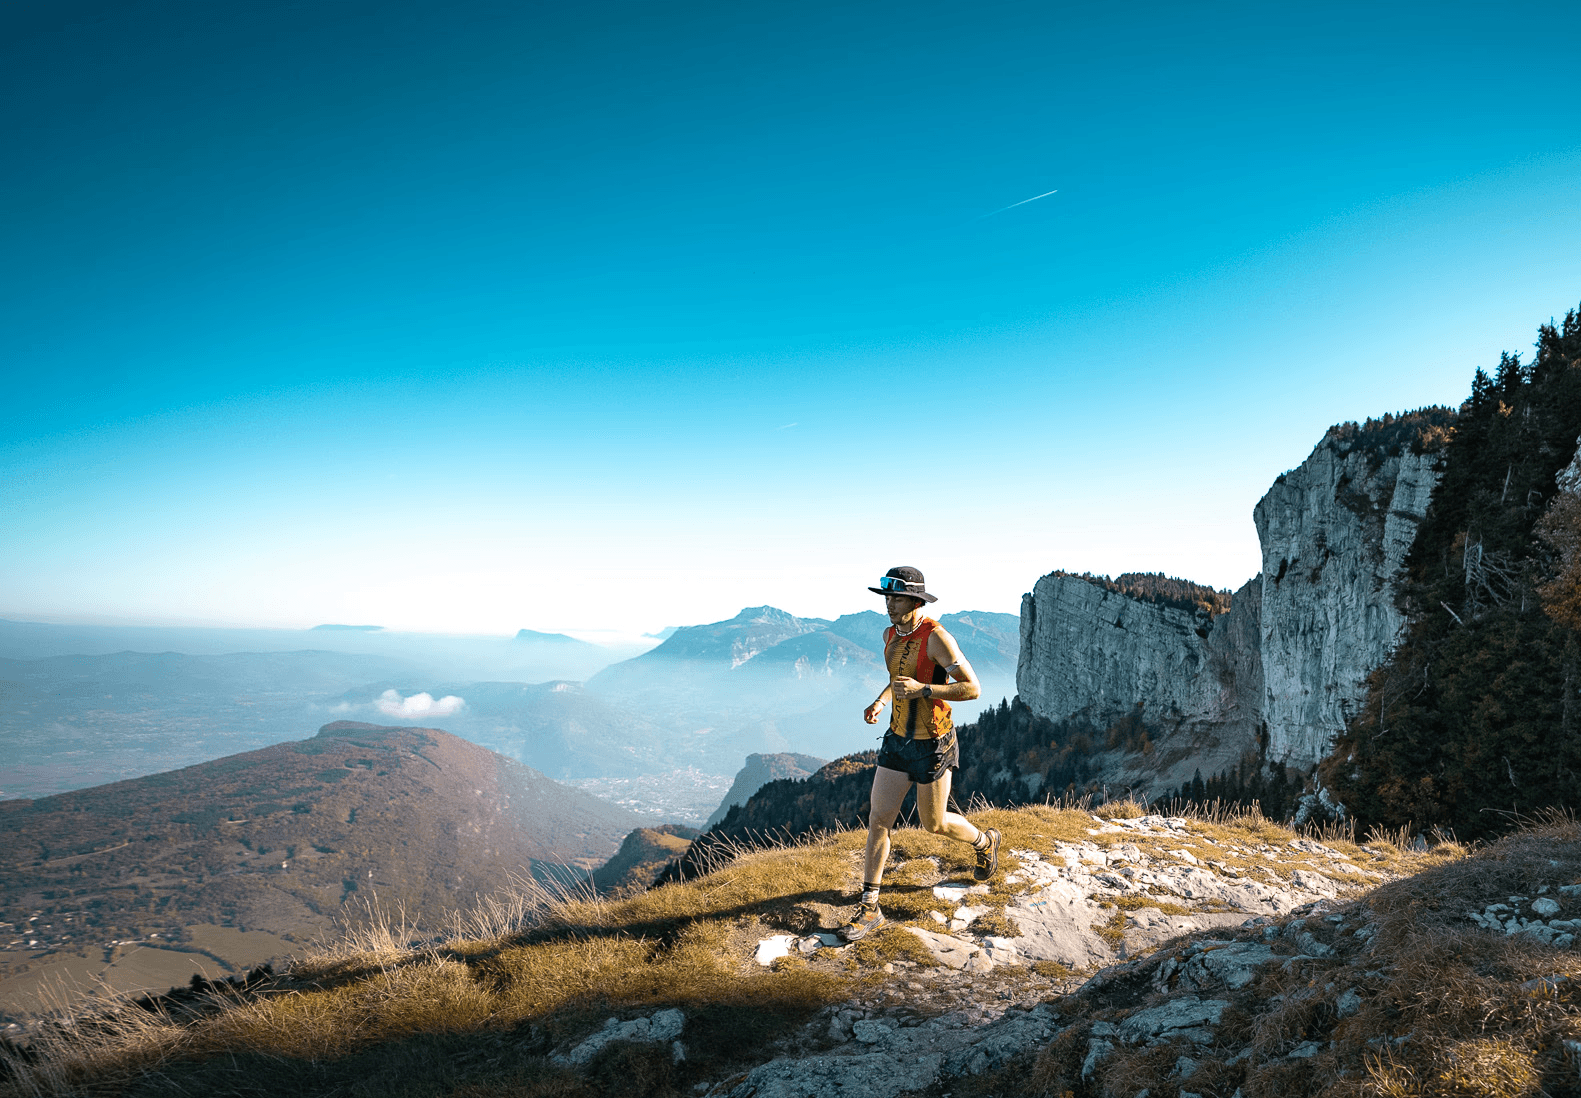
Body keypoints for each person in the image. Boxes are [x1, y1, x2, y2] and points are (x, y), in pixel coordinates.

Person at [838, 565, 1001, 942]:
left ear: (915, 601)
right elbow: (898, 679)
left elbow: (972, 688)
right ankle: (870, 907)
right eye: (887, 598)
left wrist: (924, 690)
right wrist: (881, 701)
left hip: (933, 744)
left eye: (895, 599)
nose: (888, 605)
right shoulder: (889, 635)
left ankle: (985, 842)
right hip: (896, 740)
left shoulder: (937, 638)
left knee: (935, 823)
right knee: (879, 820)